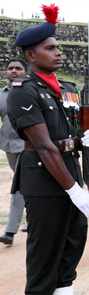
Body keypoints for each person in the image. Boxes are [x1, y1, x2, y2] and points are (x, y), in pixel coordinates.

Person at [7, 5, 89, 295]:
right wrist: (75, 191)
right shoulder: (23, 91)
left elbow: (64, 138)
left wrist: (82, 140)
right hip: (46, 183)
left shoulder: (63, 89)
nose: (58, 52)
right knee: (44, 252)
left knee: (70, 248)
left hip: (69, 174)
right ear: (31, 55)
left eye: (57, 46)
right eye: (50, 48)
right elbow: (45, 147)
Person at [0, 59, 28, 246]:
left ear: (26, 72)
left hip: (29, 146)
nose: (14, 71)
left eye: (18, 68)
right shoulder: (1, 94)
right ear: (5, 72)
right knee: (28, 185)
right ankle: (34, 220)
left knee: (19, 185)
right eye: (10, 68)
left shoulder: (32, 91)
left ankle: (10, 230)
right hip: (9, 146)